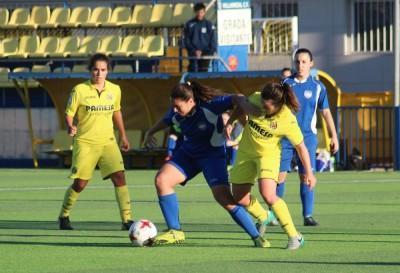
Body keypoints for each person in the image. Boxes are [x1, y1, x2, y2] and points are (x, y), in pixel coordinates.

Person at [144, 81, 269, 247]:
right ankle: (175, 231)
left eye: (177, 106)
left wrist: (247, 107)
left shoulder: (210, 105)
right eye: (173, 106)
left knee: (224, 199)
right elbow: (166, 120)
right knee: (162, 180)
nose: (174, 110)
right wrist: (150, 132)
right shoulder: (176, 111)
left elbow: (236, 98)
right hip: (188, 154)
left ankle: (256, 237)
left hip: (213, 157)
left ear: (190, 101)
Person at [226, 82, 316, 250]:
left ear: (278, 105)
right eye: (263, 103)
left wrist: (310, 173)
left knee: (268, 194)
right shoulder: (256, 98)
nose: (263, 108)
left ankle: (294, 236)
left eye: (267, 107)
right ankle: (264, 216)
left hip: (268, 156)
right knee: (239, 197)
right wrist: (231, 121)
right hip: (246, 153)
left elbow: (301, 147)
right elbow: (241, 106)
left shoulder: (287, 119)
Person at [58, 53, 134, 230]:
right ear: (90, 71)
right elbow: (69, 112)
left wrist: (123, 135)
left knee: (120, 177)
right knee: (81, 183)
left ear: (108, 71)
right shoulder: (79, 90)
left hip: (108, 142)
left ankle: (127, 220)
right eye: (95, 69)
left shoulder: (115, 90)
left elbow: (117, 112)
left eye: (103, 70)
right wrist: (70, 126)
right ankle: (64, 215)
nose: (99, 73)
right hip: (85, 142)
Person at [278, 48, 339, 226]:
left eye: (304, 62)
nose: (300, 65)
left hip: (307, 138)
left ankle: (307, 215)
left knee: (307, 175)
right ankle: (274, 213)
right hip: (286, 138)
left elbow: (326, 113)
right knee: (280, 176)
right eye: (297, 62)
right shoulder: (285, 84)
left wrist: (333, 136)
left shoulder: (318, 87)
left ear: (311, 64)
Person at [184, 2, 217, 72]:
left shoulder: (209, 25)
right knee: (192, 72)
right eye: (198, 12)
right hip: (193, 54)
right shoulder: (189, 24)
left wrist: (207, 52)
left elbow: (213, 42)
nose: (200, 14)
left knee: (203, 72)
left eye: (202, 12)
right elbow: (187, 41)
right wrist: (194, 51)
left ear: (204, 12)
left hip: (205, 54)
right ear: (195, 12)